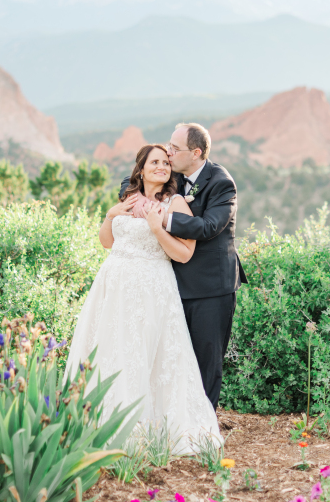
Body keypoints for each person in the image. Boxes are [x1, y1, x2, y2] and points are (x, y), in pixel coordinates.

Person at [65, 144, 221, 452]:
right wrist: (110, 215)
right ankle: (103, 422)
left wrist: (157, 228)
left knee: (145, 352)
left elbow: (185, 253)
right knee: (113, 349)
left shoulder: (174, 203)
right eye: (155, 162)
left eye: (166, 162)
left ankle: (142, 429)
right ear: (142, 168)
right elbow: (107, 242)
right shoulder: (129, 197)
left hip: (152, 286)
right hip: (114, 284)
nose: (162, 166)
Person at [126, 123, 246, 409]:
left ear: (196, 153)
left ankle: (204, 428)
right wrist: (142, 200)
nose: (168, 153)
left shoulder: (221, 183)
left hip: (210, 287)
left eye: (174, 148)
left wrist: (162, 218)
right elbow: (131, 180)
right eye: (168, 146)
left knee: (207, 360)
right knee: (174, 357)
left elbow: (208, 227)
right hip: (173, 283)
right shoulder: (174, 174)